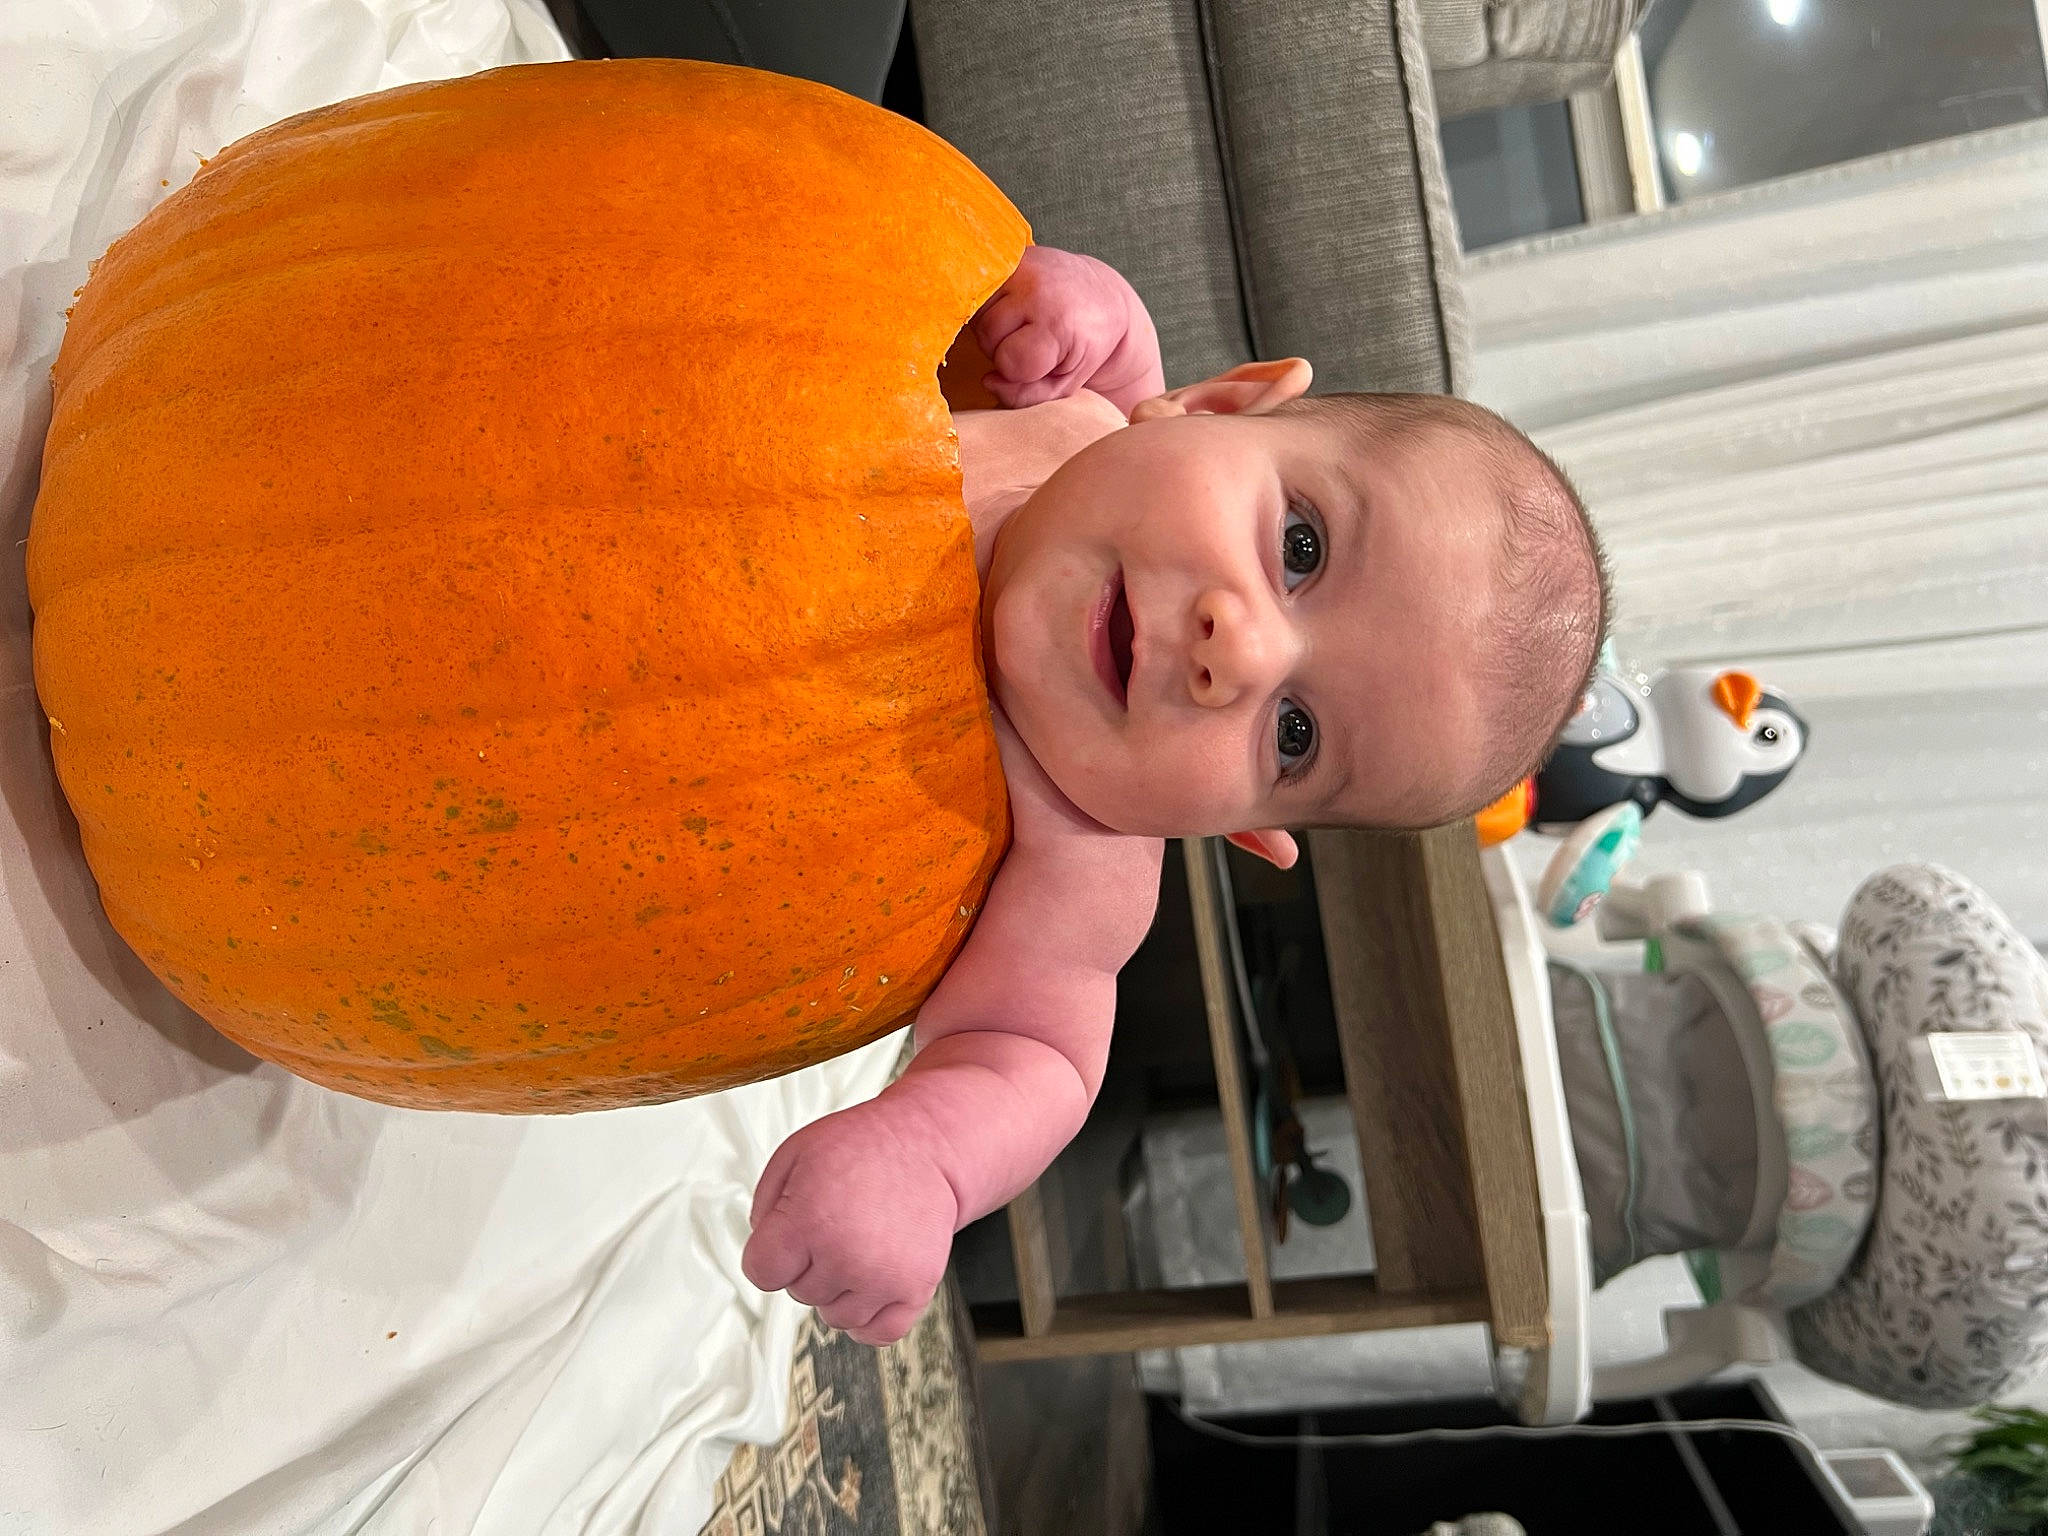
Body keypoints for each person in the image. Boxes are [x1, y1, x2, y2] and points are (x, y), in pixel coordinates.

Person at [742, 243, 1608, 1346]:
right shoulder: (1084, 425)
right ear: (1211, 404)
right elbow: (1104, 372)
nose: (1236, 649)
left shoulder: (1082, 852)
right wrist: (1092, 317)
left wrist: (926, 1162)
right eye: (1299, 546)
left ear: (1241, 827)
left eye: (1292, 735)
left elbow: (1035, 1058)